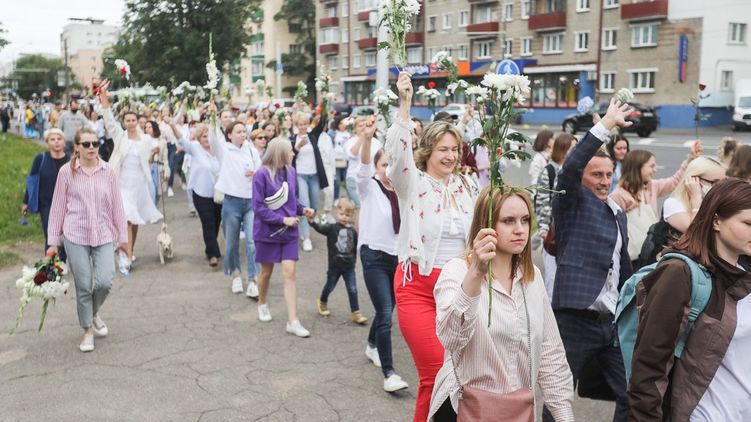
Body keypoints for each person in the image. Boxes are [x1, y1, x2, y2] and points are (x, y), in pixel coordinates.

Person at [430, 186, 574, 421]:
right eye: (508, 221)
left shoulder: (532, 277)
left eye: (525, 220)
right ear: (486, 225)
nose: (520, 230)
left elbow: (551, 354)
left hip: (516, 411)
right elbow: (451, 338)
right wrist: (475, 274)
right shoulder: (457, 271)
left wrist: (564, 416)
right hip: (464, 409)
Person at [388, 72, 479, 422]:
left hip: (461, 290)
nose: (451, 156)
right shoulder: (412, 183)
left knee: (466, 377)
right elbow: (397, 156)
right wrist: (405, 104)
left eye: (456, 150)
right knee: (436, 373)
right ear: (427, 151)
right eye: (444, 149)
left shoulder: (466, 186)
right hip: (418, 289)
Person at [543, 98, 635, 422]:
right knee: (559, 395)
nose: (604, 180)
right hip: (575, 318)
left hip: (609, 322)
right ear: (582, 177)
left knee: (632, 393)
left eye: (609, 174)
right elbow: (570, 167)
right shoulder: (571, 200)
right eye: (596, 174)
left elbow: (623, 266)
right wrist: (604, 126)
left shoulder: (617, 213)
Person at [628, 178, 751, 421]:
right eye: (748, 223)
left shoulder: (744, 270)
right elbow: (649, 368)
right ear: (716, 220)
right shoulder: (679, 272)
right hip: (704, 415)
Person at [46, 128, 128, 352]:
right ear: (77, 148)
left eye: (95, 143)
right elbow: (58, 208)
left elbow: (117, 206)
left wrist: (123, 237)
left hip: (103, 233)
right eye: (87, 144)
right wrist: (53, 242)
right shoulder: (66, 172)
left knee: (104, 281)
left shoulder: (108, 171)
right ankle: (87, 331)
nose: (92, 148)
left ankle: (92, 313)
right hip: (75, 234)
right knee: (83, 285)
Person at [356, 121, 409, 393]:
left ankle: (372, 345)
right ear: (377, 168)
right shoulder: (369, 187)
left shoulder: (403, 189)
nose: (388, 170)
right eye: (383, 165)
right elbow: (363, 169)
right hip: (373, 256)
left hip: (397, 258)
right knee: (386, 312)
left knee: (385, 308)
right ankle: (389, 374)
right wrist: (367, 141)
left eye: (392, 165)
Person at [252, 138, 315, 337]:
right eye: (290, 151)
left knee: (290, 273)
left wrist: (303, 209)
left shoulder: (291, 171)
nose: (293, 154)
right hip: (266, 232)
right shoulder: (261, 174)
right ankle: (262, 302)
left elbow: (291, 201)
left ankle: (293, 321)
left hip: (288, 233)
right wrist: (283, 220)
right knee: (266, 273)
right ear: (279, 153)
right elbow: (259, 207)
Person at [610, 143, 701, 267]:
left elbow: (674, 181)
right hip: (631, 257)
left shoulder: (652, 186)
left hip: (649, 250)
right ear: (638, 167)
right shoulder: (618, 195)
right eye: (651, 166)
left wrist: (690, 159)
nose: (655, 169)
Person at [100, 88, 163, 268]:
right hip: (121, 183)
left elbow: (148, 162)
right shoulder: (120, 136)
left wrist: (154, 154)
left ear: (138, 122)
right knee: (126, 218)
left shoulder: (145, 139)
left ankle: (130, 250)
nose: (130, 123)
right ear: (124, 122)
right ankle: (125, 256)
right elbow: (108, 118)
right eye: (127, 120)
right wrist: (104, 96)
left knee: (134, 221)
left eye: (133, 120)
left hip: (138, 183)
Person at [208, 104, 262, 296]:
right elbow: (213, 137)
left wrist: (255, 174)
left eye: (244, 132)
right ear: (230, 135)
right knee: (231, 244)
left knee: (252, 242)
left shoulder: (250, 150)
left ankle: (253, 280)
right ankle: (236, 276)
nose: (243, 135)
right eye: (238, 132)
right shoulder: (224, 150)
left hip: (250, 202)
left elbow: (261, 170)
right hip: (231, 202)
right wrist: (212, 115)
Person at [309, 198, 367, 324]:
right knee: (330, 286)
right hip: (335, 266)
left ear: (351, 215)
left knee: (352, 288)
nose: (344, 217)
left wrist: (355, 262)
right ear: (336, 212)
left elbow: (355, 248)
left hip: (349, 267)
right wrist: (312, 221)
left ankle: (356, 312)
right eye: (341, 214)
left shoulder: (353, 232)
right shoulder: (332, 228)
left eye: (347, 215)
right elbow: (320, 228)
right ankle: (322, 302)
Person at [533, 133, 577, 298]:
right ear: (562, 149)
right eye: (571, 148)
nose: (575, 152)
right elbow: (542, 201)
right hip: (554, 232)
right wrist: (544, 228)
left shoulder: (577, 170)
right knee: (552, 277)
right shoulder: (550, 170)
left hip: (573, 231)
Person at [175, 123, 222, 267]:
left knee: (216, 222)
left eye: (209, 136)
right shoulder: (195, 148)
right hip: (200, 192)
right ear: (199, 138)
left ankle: (210, 248)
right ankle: (213, 254)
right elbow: (182, 140)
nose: (207, 139)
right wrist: (172, 124)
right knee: (207, 222)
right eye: (204, 137)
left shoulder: (220, 151)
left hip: (218, 193)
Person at [22, 128, 71, 262]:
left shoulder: (70, 160)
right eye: (52, 139)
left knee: (65, 233)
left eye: (59, 139)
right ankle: (50, 265)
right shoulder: (40, 159)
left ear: (64, 142)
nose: (56, 142)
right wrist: (26, 201)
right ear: (47, 143)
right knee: (50, 234)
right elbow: (32, 181)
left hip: (67, 204)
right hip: (47, 204)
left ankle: (63, 260)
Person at [291, 112, 330, 252]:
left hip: (314, 175)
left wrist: (326, 101)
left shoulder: (312, 135)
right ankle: (306, 237)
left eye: (305, 124)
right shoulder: (292, 138)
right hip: (300, 175)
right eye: (300, 124)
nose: (303, 127)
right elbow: (290, 157)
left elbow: (322, 123)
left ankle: (306, 228)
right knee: (304, 206)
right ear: (296, 125)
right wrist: (297, 147)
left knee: (314, 206)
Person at [663, 156, 726, 234]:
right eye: (714, 182)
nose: (720, 187)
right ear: (693, 180)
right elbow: (693, 232)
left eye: (723, 183)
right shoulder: (673, 203)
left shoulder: (716, 200)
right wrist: (696, 197)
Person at [332, 116, 351, 200]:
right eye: (340, 123)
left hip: (347, 160)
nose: (342, 125)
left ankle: (350, 199)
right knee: (337, 181)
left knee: (348, 181)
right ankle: (336, 198)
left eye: (344, 123)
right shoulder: (333, 133)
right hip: (336, 160)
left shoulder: (349, 133)